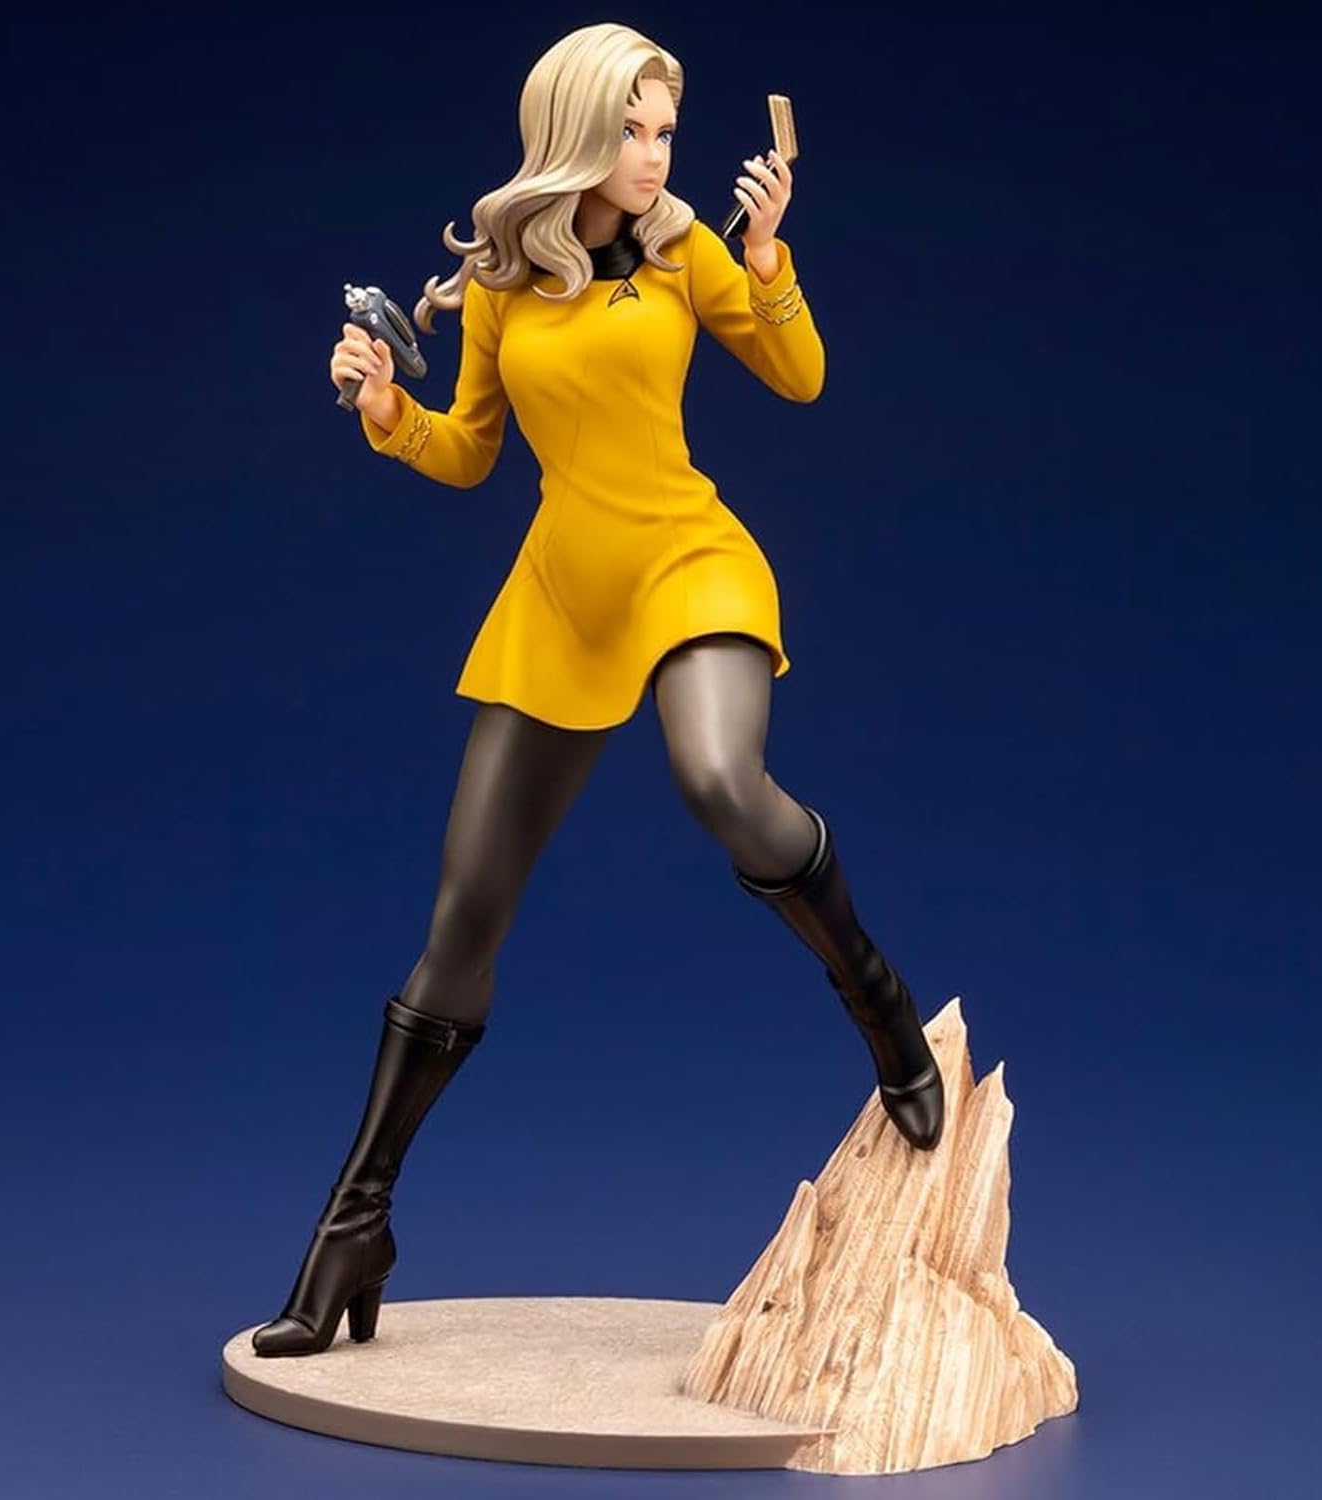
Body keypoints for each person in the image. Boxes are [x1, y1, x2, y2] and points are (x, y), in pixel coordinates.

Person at [252, 21, 943, 1360]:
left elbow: (801, 379)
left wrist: (766, 262)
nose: (652, 154)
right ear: (572, 130)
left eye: (665, 130)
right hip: (563, 592)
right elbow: (470, 452)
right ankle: (355, 1225)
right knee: (463, 920)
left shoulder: (685, 250)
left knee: (720, 779)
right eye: (629, 129)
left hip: (687, 560)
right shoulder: (503, 279)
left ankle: (874, 994)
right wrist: (387, 412)